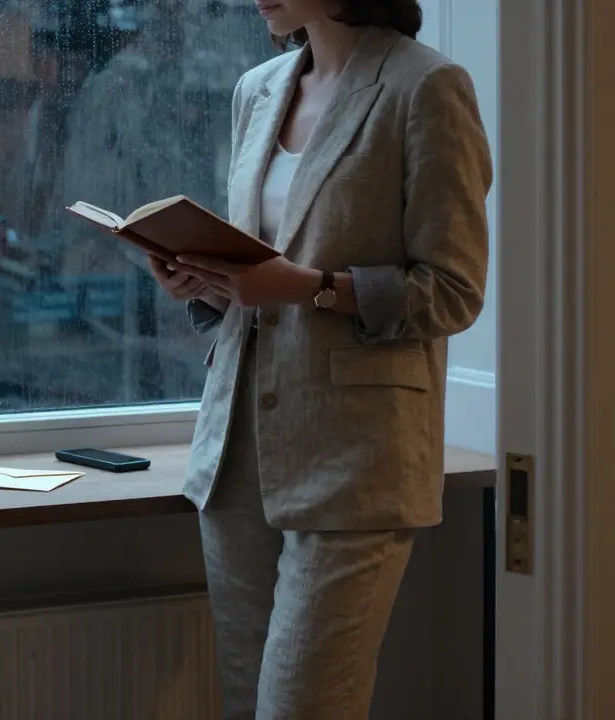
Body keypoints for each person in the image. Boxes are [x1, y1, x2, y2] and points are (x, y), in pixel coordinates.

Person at [147, 1, 492, 717]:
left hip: (356, 464)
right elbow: (251, 268)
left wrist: (314, 289)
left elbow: (454, 291)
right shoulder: (259, 88)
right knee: (247, 703)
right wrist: (203, 283)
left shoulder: (426, 88)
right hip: (238, 456)